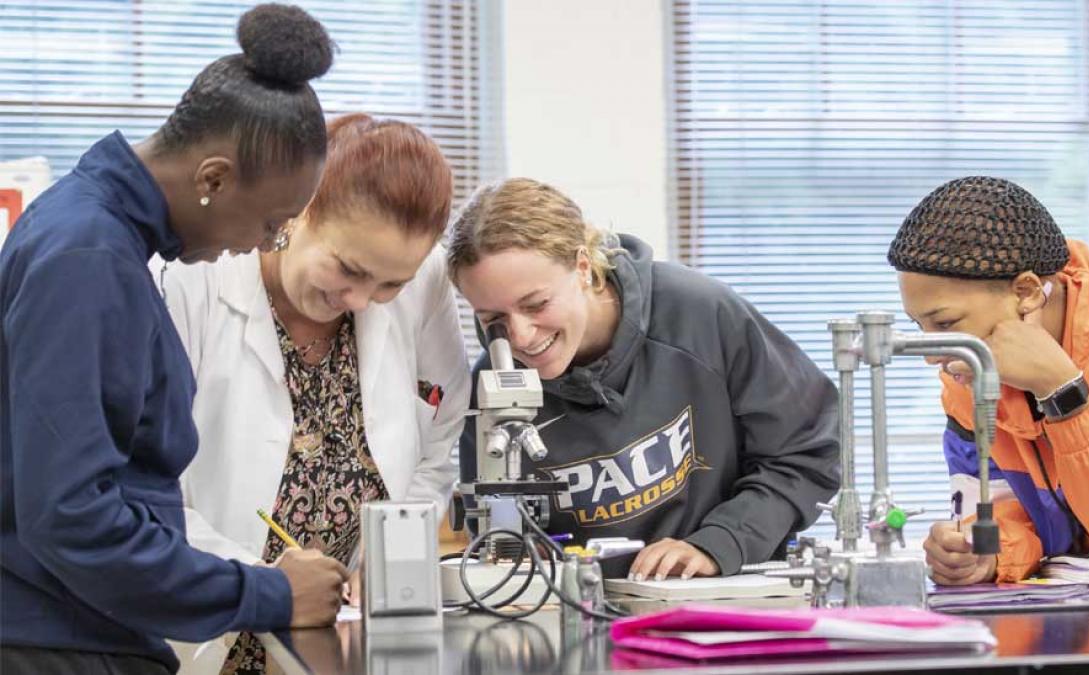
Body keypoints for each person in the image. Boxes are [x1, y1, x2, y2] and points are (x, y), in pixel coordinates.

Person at [0, 6, 348, 674]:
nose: (264, 244)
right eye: (273, 222)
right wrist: (266, 591)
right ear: (213, 178)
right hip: (55, 643)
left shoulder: (99, 234)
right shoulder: (86, 254)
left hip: (79, 631)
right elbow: (69, 514)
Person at [161, 114, 469, 671]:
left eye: (390, 283)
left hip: (339, 642)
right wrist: (265, 587)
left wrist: (394, 547)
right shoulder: (192, 280)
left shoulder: (423, 282)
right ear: (298, 210)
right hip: (206, 628)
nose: (361, 299)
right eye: (348, 269)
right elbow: (152, 493)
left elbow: (440, 435)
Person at [448, 178, 840, 580]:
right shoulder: (494, 387)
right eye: (493, 320)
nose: (521, 336)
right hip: (583, 612)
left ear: (583, 267)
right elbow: (497, 533)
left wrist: (721, 541)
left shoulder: (699, 315)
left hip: (722, 597)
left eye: (537, 304)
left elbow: (808, 452)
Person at [887, 176, 1089, 585]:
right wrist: (986, 553)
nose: (933, 356)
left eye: (945, 323)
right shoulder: (967, 366)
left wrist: (1061, 390)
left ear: (1027, 291)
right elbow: (1002, 513)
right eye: (920, 326)